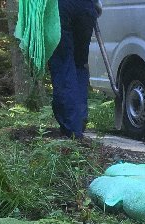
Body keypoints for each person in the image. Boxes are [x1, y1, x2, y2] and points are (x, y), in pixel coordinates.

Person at [48, 0, 99, 139]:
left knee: (63, 64)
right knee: (79, 64)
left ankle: (72, 129)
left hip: (60, 8)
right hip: (86, 8)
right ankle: (79, 120)